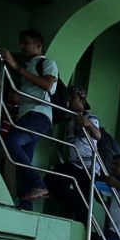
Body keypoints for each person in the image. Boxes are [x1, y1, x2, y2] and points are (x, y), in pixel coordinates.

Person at [0, 29, 58, 209]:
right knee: (21, 161)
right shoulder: (31, 65)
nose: (22, 46)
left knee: (11, 141)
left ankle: (40, 185)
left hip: (38, 114)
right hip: (28, 115)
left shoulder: (47, 63)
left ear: (39, 46)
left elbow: (48, 84)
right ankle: (25, 205)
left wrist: (18, 69)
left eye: (26, 42)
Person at [46, 86, 102, 224]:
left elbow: (97, 135)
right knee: (50, 180)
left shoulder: (90, 116)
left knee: (83, 204)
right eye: (69, 98)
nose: (70, 101)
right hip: (74, 164)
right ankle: (73, 207)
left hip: (87, 167)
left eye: (73, 98)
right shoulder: (69, 120)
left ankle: (84, 229)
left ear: (82, 100)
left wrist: (88, 124)